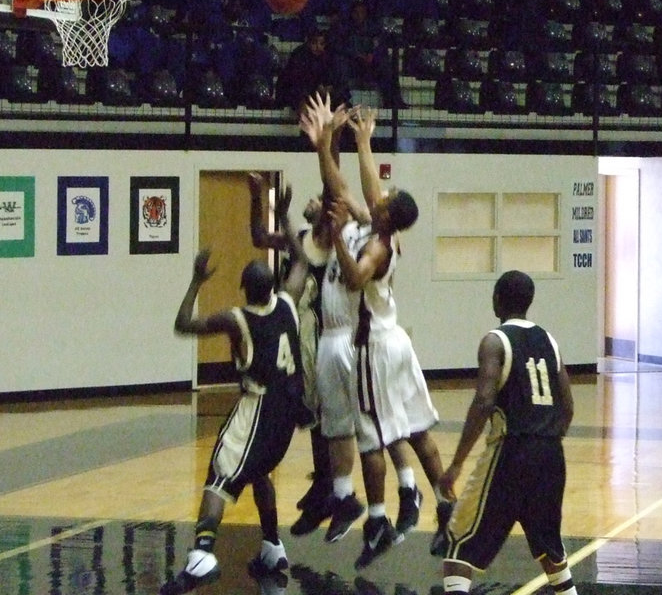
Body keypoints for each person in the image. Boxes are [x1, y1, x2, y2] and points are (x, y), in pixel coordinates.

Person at [313, 100, 451, 568]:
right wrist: (352, 142)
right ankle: (445, 505)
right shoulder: (377, 222)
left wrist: (335, 239)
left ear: (388, 214)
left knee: (372, 437)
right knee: (415, 428)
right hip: (397, 341)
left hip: (374, 347)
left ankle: (376, 520)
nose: (380, 195)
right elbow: (350, 186)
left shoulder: (378, 243)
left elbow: (354, 280)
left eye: (386, 200)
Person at [161, 189, 310, 595]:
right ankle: (272, 547)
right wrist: (283, 214)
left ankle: (203, 556)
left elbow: (182, 324)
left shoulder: (236, 318)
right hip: (289, 412)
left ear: (243, 289)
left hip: (258, 407)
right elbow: (301, 261)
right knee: (260, 472)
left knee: (218, 478)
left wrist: (195, 280)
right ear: (272, 287)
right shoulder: (289, 303)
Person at [437, 270, 578, 595]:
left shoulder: (495, 340)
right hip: (551, 454)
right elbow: (568, 406)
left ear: (497, 299)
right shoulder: (549, 340)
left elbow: (484, 400)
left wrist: (457, 463)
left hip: (511, 451)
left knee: (458, 544)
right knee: (551, 552)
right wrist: (546, 441)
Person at [247, 172, 336, 536]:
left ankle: (326, 485)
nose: (311, 201)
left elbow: (331, 195)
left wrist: (327, 143)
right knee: (302, 408)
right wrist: (256, 199)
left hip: (312, 330)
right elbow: (257, 237)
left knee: (312, 411)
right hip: (290, 326)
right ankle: (323, 482)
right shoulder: (299, 237)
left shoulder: (328, 244)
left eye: (318, 200)